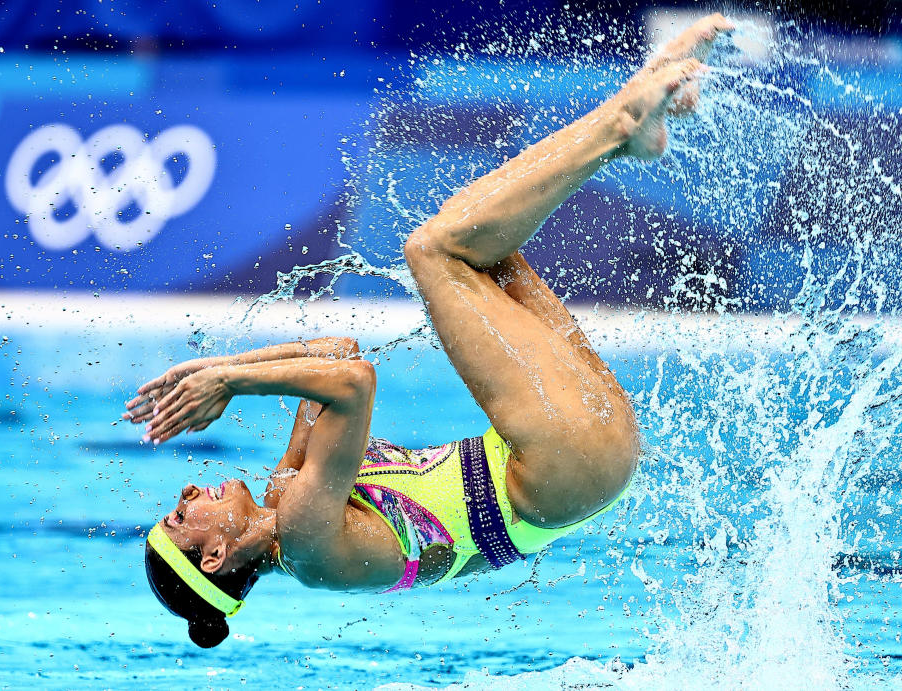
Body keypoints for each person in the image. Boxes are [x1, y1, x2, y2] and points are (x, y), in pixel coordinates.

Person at [125, 14, 733, 648]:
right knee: (435, 251)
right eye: (180, 515)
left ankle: (640, 102)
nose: (188, 491)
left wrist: (213, 372)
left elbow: (335, 353)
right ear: (216, 555)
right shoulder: (305, 541)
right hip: (557, 467)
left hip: (570, 460)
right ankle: (625, 122)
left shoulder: (286, 491)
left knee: (484, 245)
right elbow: (353, 384)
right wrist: (230, 379)